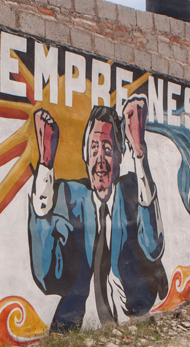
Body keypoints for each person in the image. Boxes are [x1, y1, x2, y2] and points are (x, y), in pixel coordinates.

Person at [28, 96, 166, 330]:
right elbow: (44, 276)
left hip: (134, 313)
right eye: (94, 149)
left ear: (121, 156)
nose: (100, 160)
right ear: (85, 156)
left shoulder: (132, 189)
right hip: (74, 324)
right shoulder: (68, 195)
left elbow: (153, 246)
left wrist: (139, 151)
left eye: (108, 149)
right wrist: (45, 163)